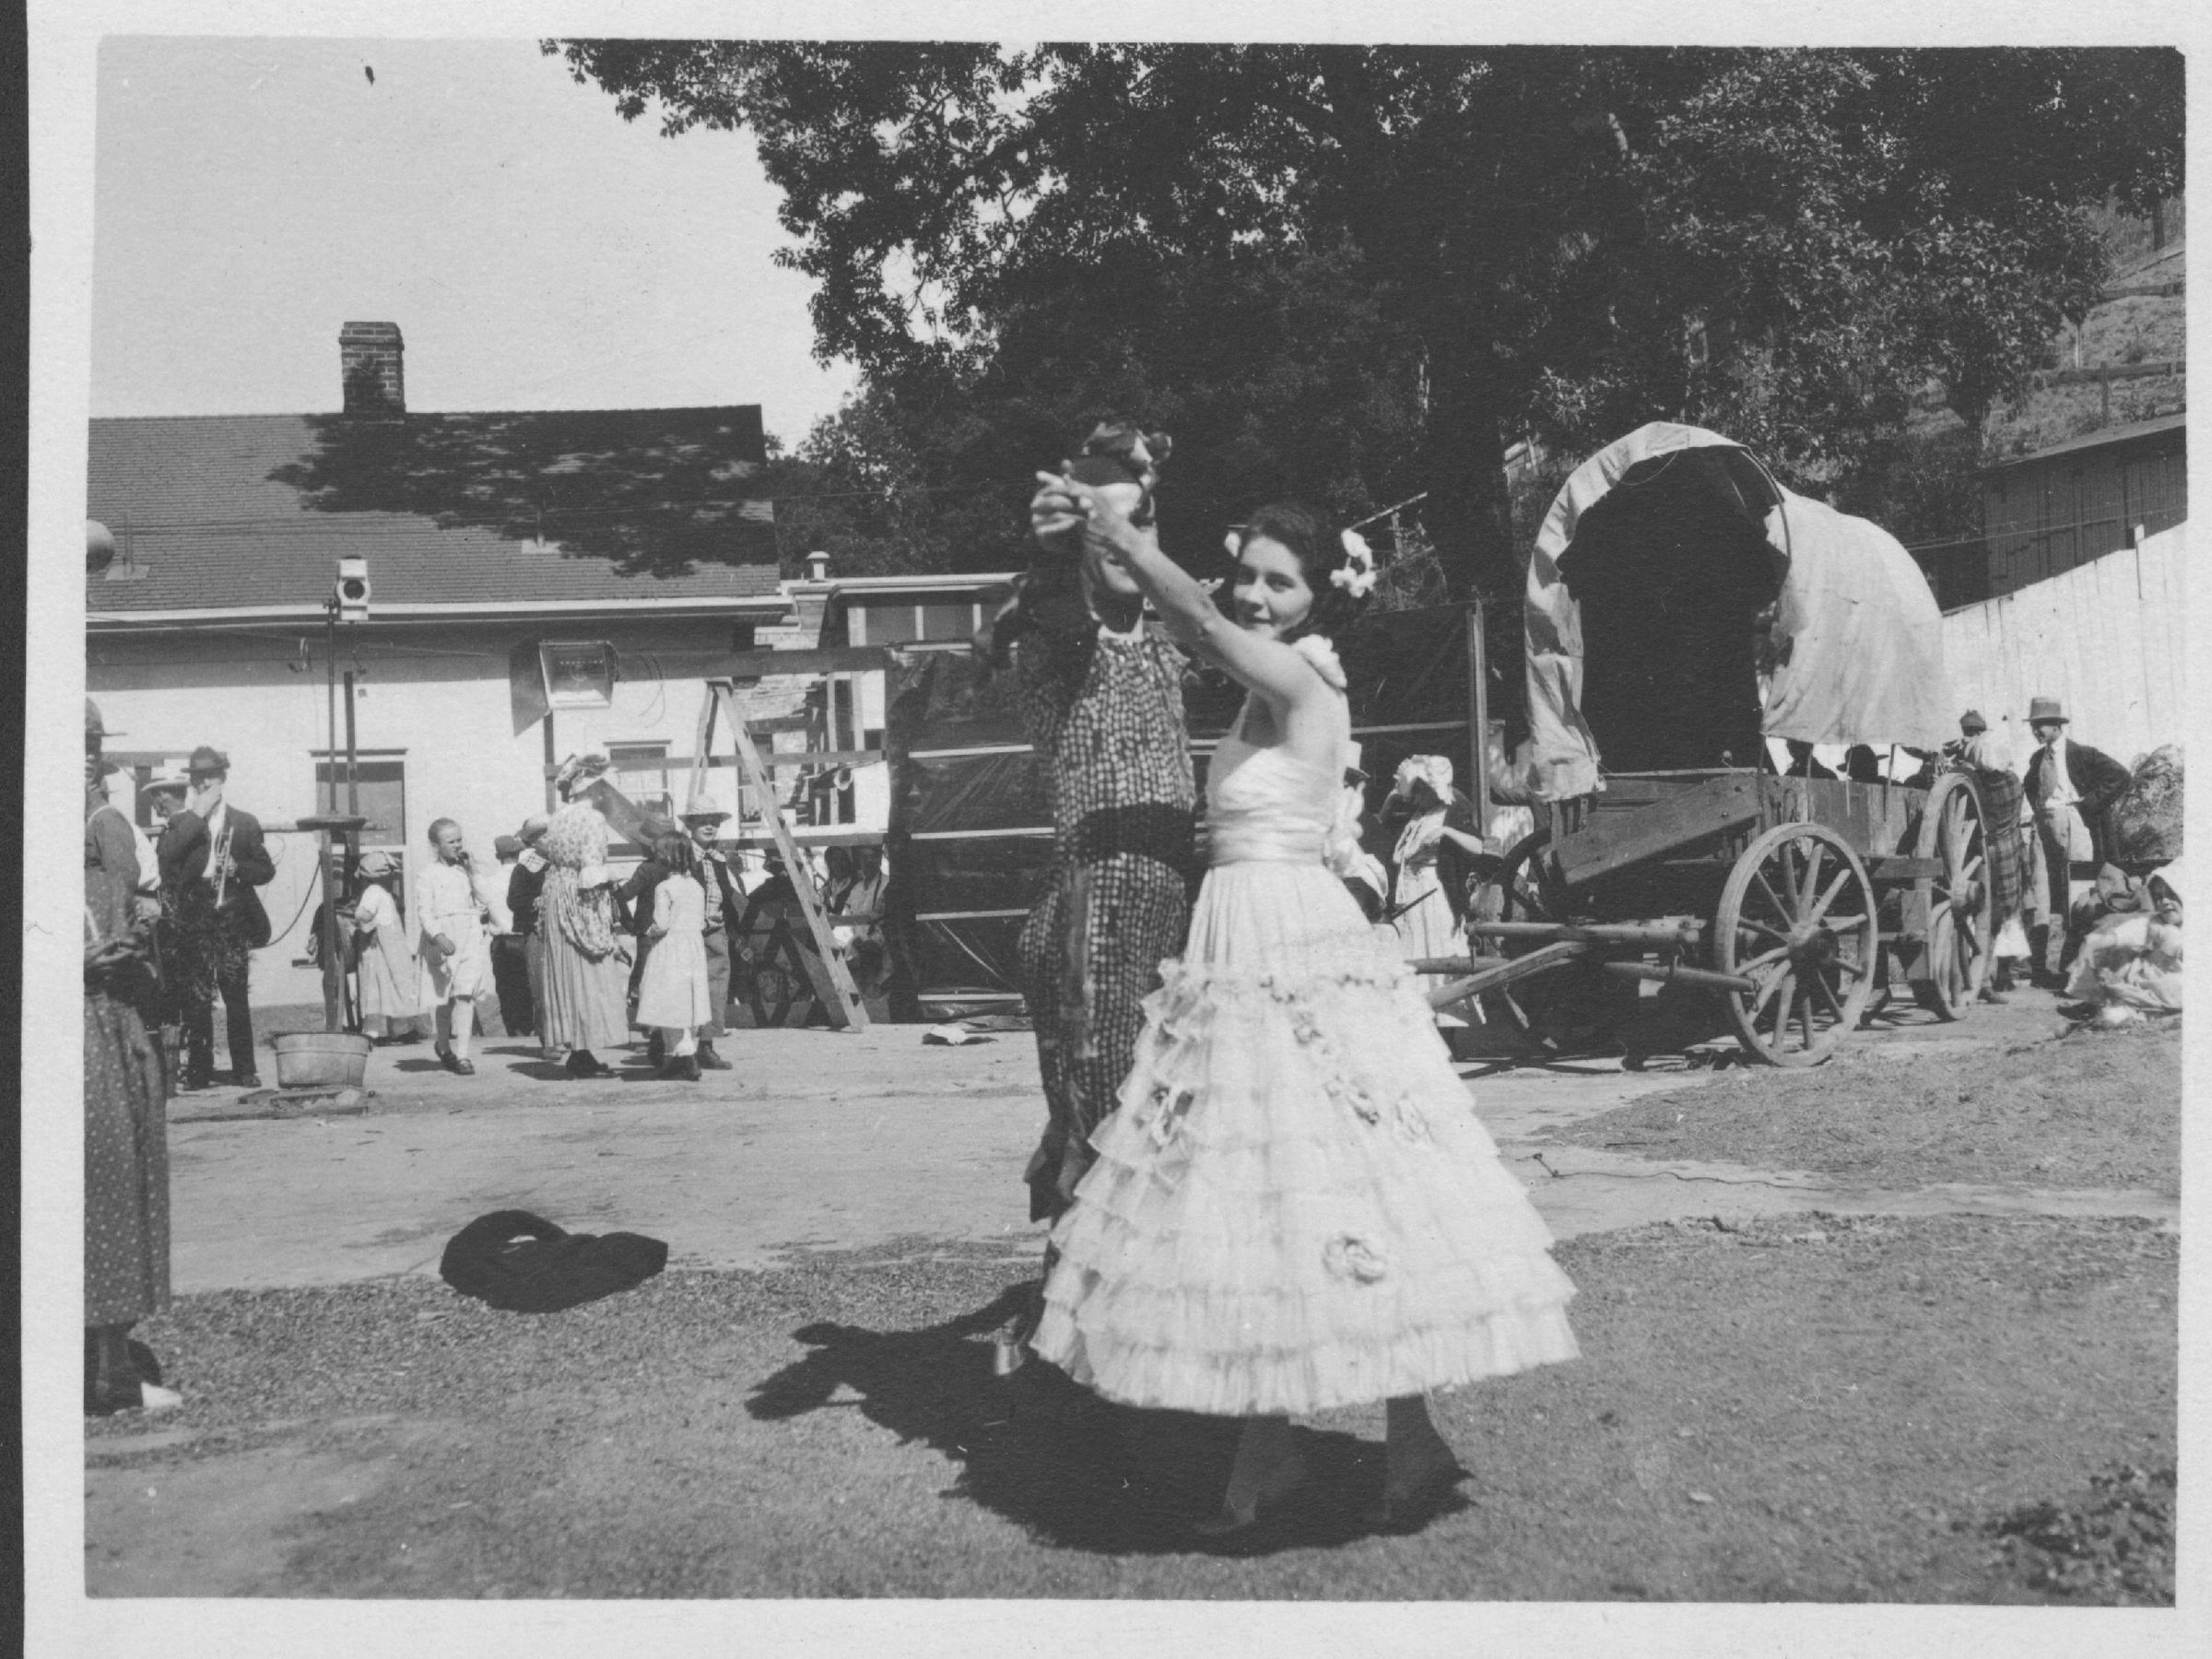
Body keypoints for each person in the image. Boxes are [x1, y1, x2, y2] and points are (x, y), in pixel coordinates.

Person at [1026, 487, 1579, 1535]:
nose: (1257, 596)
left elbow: (1196, 622)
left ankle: (1398, 1433)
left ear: (1320, 597)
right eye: (1248, 577)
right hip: (1234, 931)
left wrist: (1125, 535)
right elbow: (1188, 636)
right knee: (1249, 1186)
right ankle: (1272, 1452)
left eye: (1281, 582)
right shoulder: (1255, 688)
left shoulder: (1306, 677)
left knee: (1338, 1171)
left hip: (1286, 933)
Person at [1000, 420, 1198, 1229]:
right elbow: (1052, 603)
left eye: (1138, 522)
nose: (1122, 541)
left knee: (1161, 1113)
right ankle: (1082, 1294)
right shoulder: (1059, 638)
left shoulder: (1165, 637)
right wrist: (1056, 546)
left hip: (1167, 899)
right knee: (1107, 1120)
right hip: (1096, 907)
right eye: (1100, 527)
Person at [84, 700, 182, 1415]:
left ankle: (109, 1367)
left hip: (108, 1019)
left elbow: (135, 906)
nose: (87, 754)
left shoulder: (105, 820)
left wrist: (143, 921)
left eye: (91, 741)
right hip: (77, 1025)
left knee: (111, 1185)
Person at [156, 746, 276, 1089]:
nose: (203, 783)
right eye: (197, 778)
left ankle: (245, 1069)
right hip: (194, 913)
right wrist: (196, 816)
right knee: (196, 997)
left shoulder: (244, 821)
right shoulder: (182, 821)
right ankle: (199, 1070)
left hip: (232, 913)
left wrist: (239, 869)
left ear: (222, 778)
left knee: (236, 995)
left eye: (209, 776)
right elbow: (166, 858)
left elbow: (265, 870)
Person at [2022, 697, 2133, 985]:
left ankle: (2075, 968)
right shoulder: (2037, 759)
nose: (2036, 731)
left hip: (2075, 824)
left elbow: (2121, 776)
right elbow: (2030, 786)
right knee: (2044, 893)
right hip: (2045, 826)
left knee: (2078, 891)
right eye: (2033, 726)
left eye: (2040, 725)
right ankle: (2042, 968)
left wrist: (2089, 804)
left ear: (2057, 725)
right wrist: (2041, 811)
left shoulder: (2082, 754)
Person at [536, 758, 632, 1078]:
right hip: (579, 898)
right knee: (589, 973)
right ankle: (581, 1052)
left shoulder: (558, 817)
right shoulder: (592, 818)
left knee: (569, 974)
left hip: (557, 894)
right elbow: (591, 870)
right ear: (595, 788)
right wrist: (602, 915)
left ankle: (581, 1051)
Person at [416, 818, 500, 1077]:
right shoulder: (427, 874)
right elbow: (424, 911)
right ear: (436, 845)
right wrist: (437, 935)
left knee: (465, 994)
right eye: (450, 841)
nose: (457, 845)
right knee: (445, 997)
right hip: (444, 937)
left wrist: (473, 872)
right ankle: (443, 1046)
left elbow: (487, 898)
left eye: (459, 840)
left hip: (470, 935)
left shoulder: (466, 872)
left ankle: (462, 1055)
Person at [1953, 732, 2032, 999]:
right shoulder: (2013, 782)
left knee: (1977, 914)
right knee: (2005, 915)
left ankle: (1975, 975)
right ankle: (1999, 974)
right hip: (2008, 852)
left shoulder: (1972, 784)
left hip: (1978, 852)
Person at [635, 830, 715, 1080]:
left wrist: (648, 931)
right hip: (692, 949)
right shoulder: (696, 886)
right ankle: (679, 1056)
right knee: (686, 1005)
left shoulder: (664, 887)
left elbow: (662, 923)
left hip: (670, 949)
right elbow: (700, 921)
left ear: (666, 857)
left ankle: (686, 1057)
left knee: (668, 1003)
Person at [680, 802, 744, 1068]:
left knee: (716, 987)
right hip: (687, 932)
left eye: (714, 822)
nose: (709, 827)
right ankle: (679, 1050)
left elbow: (727, 895)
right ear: (690, 825)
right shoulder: (682, 855)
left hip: (715, 930)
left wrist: (733, 929)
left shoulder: (718, 859)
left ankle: (706, 1045)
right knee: (684, 989)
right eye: (703, 821)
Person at [349, 849, 419, 1042]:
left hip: (389, 947)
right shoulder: (374, 892)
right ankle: (378, 1032)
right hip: (381, 949)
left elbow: (365, 915)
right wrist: (369, 927)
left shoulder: (378, 893)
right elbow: (363, 915)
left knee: (390, 986)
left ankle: (392, 1030)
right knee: (379, 987)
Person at [506, 816, 559, 1064]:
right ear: (534, 842)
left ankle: (565, 1035)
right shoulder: (525, 868)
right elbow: (514, 901)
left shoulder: (563, 864)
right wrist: (536, 903)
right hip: (537, 932)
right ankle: (548, 1040)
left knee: (561, 986)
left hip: (561, 932)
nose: (551, 840)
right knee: (542, 987)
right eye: (544, 836)